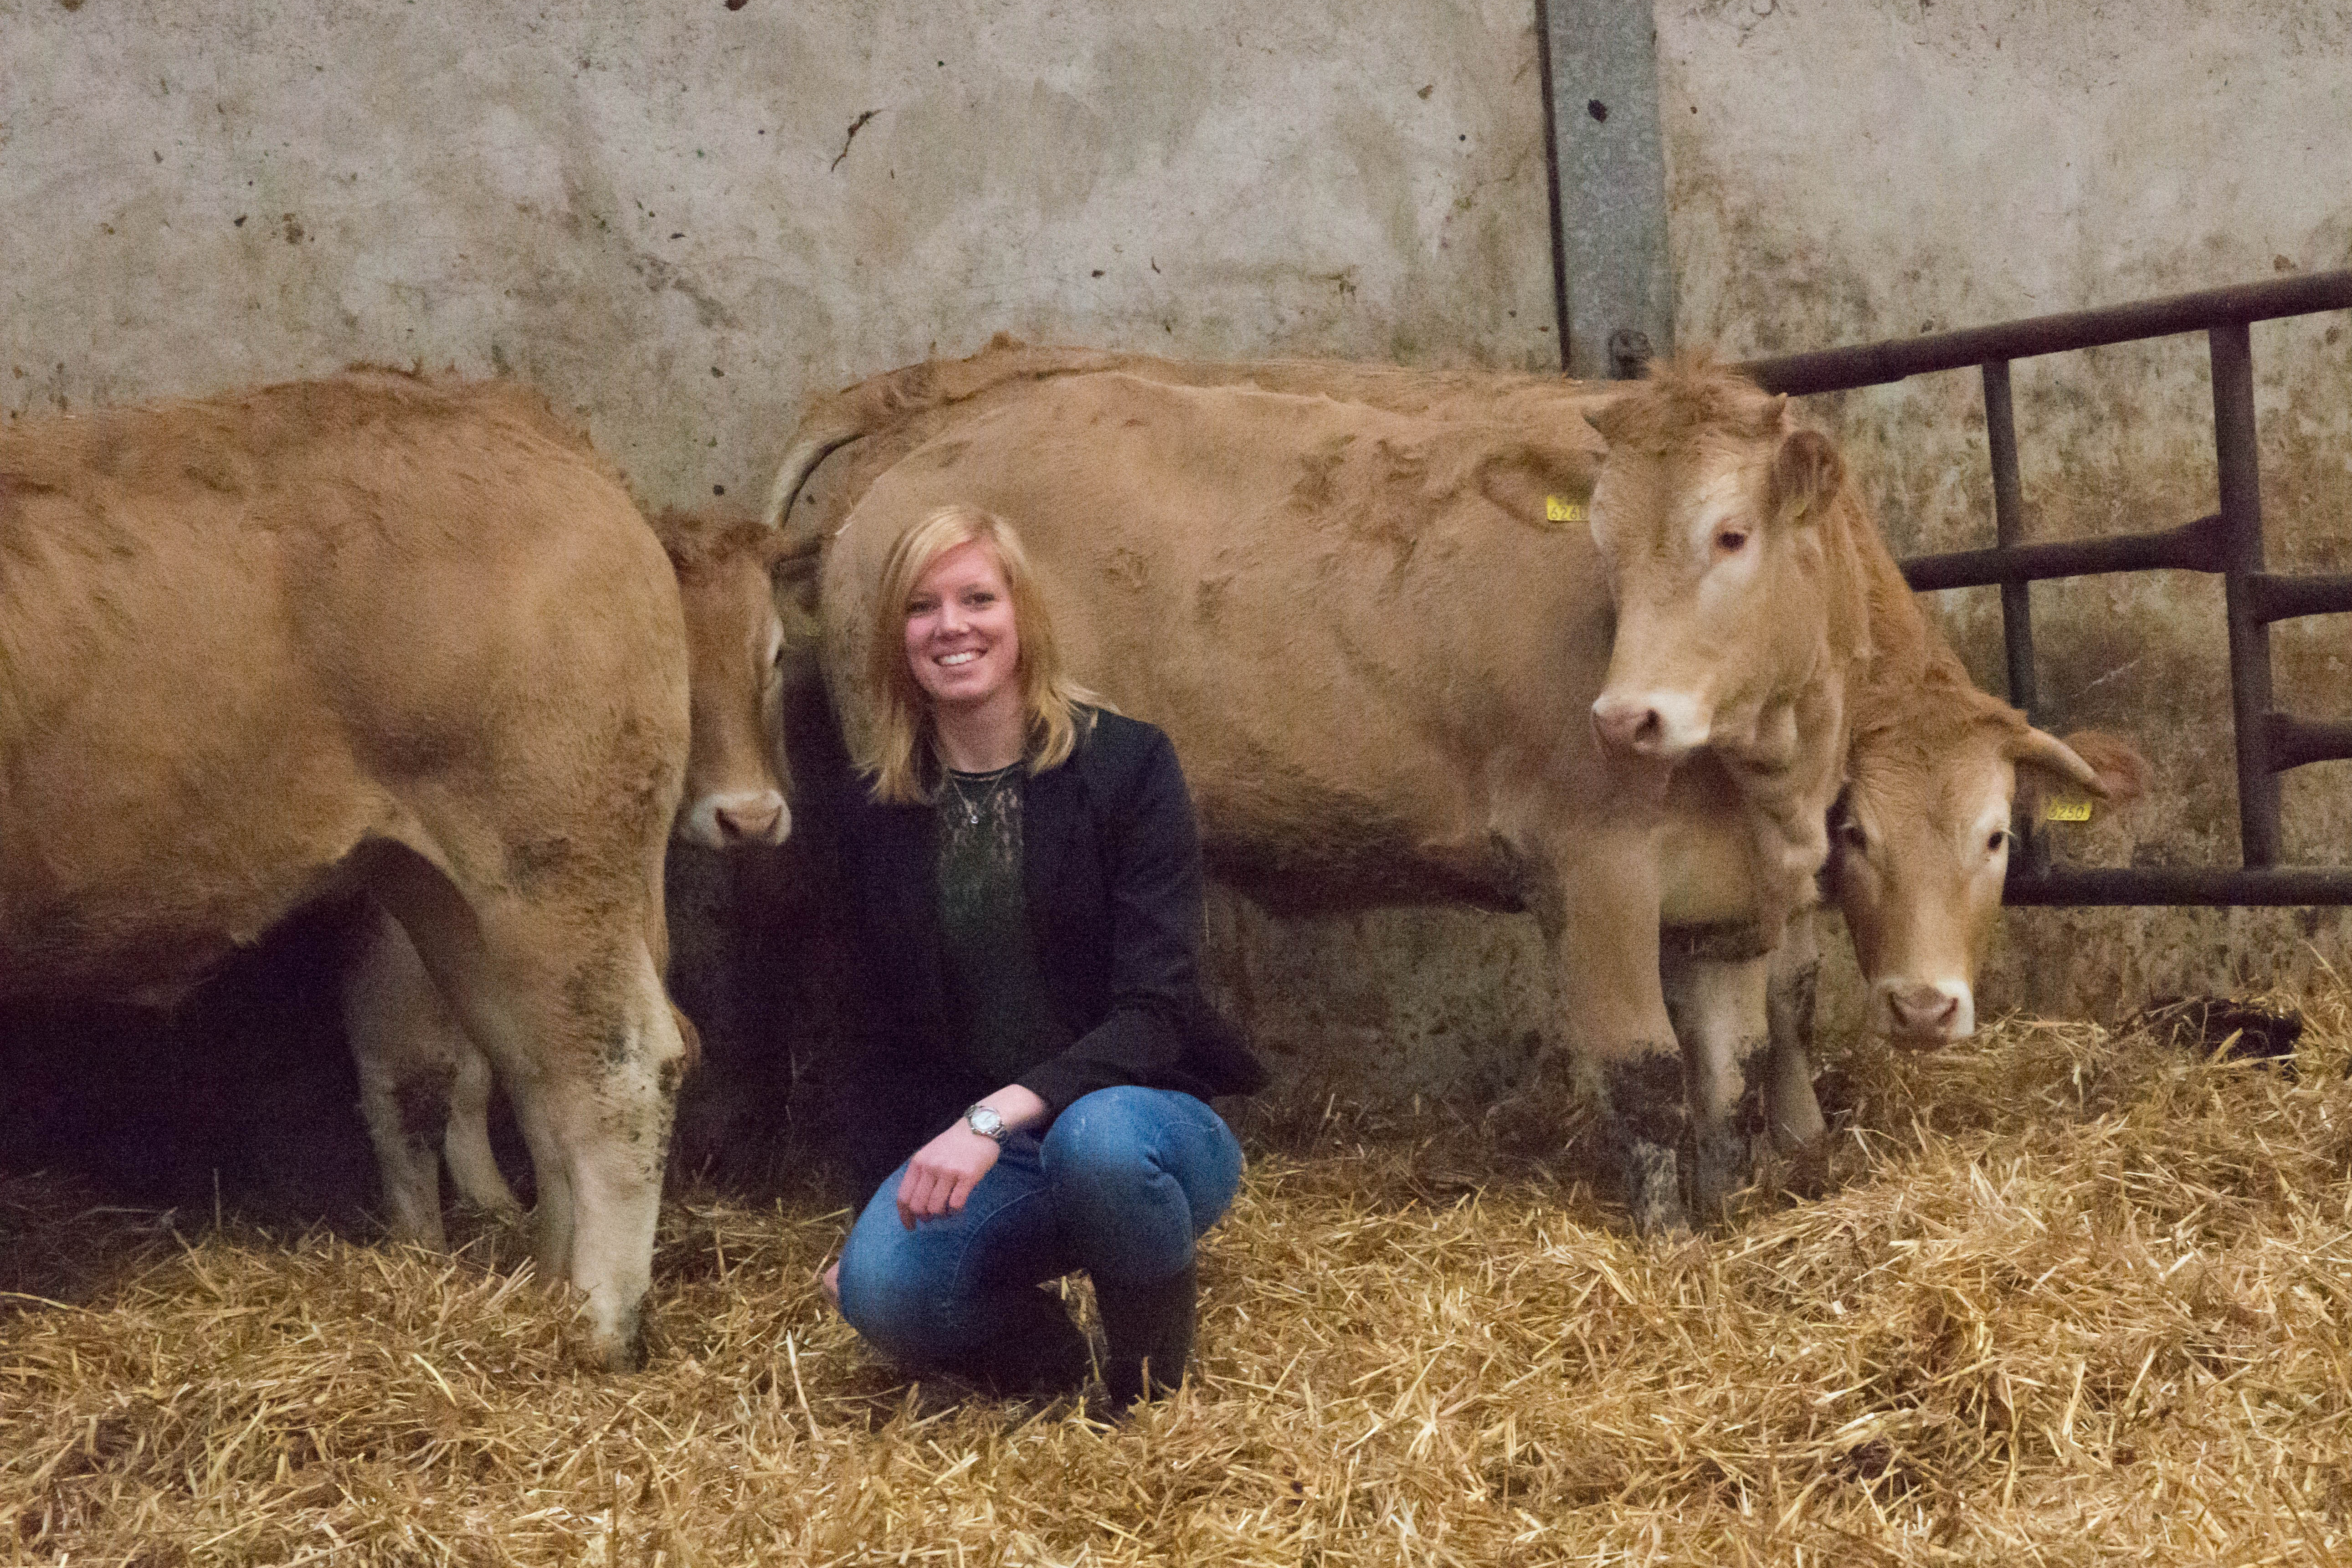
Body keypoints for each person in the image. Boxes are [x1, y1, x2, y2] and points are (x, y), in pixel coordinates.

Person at [822, 503, 1265, 1406]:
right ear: (893, 638)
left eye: (977, 597)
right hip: (991, 1159)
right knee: (879, 1291)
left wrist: (988, 1120)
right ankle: (1048, 1359)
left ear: (1022, 615)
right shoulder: (874, 807)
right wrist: (871, 1213)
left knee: (1095, 1140)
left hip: (1143, 1126)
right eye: (921, 606)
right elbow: (866, 1038)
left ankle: (1144, 1388)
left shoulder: (1127, 766)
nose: (951, 626)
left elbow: (1156, 1011)